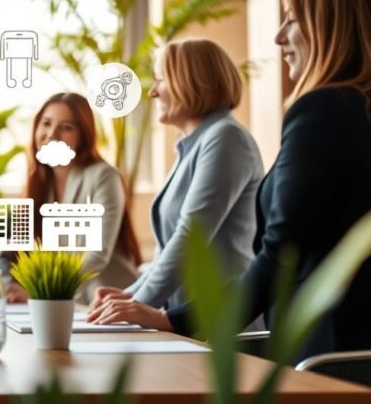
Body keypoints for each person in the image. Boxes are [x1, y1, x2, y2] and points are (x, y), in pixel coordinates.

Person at [89, 0, 371, 362]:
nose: (278, 36)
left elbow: (279, 256)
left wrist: (170, 319)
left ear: (330, 25)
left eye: (291, 20)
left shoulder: (322, 111)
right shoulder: (349, 110)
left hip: (327, 353)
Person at [88, 39, 263, 317]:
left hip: (220, 325)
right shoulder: (194, 145)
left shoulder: (226, 138)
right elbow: (166, 251)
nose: (153, 92)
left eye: (160, 80)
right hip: (186, 321)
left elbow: (190, 238)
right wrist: (127, 296)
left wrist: (137, 304)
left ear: (192, 81)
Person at [0, 92, 141, 304]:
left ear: (83, 135)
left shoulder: (104, 176)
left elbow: (96, 256)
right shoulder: (37, 183)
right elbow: (9, 255)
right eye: (46, 123)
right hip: (59, 307)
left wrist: (42, 293)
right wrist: (5, 286)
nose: (52, 134)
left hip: (108, 303)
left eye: (66, 127)